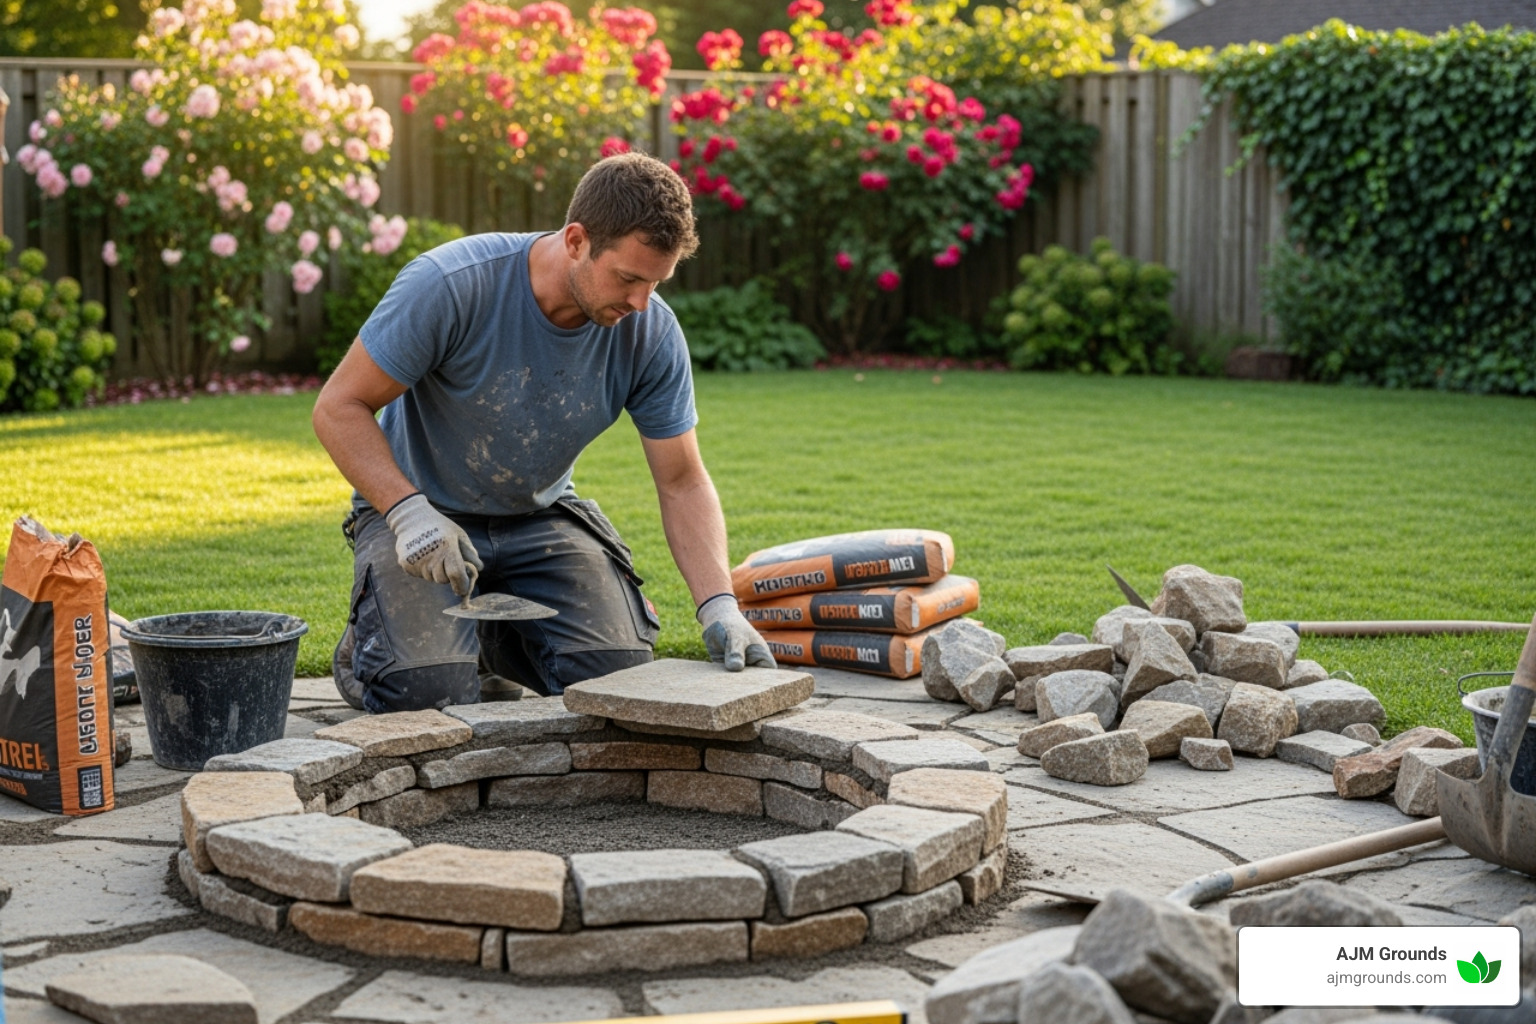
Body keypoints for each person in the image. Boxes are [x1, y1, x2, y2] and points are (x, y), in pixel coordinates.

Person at [312, 153, 774, 713]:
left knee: (619, 686)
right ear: (576, 240)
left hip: (540, 516)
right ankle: (380, 647)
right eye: (628, 278)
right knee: (425, 695)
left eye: (656, 283)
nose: (640, 303)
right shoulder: (452, 285)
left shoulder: (648, 332)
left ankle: (486, 638)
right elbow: (339, 407)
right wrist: (407, 514)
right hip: (416, 516)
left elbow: (681, 480)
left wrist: (719, 604)